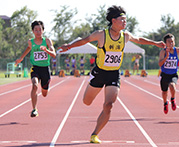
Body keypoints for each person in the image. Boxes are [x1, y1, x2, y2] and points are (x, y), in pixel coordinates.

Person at [59, 5, 165, 143]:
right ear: (113, 20)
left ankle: (94, 134)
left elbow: (139, 39)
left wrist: (155, 43)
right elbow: (85, 40)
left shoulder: (125, 36)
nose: (125, 22)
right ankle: (90, 93)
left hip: (113, 74)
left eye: (125, 20)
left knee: (109, 105)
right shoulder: (101, 34)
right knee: (87, 102)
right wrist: (69, 46)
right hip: (99, 72)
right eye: (122, 19)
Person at [15, 20, 56, 117]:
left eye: (40, 30)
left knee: (44, 93)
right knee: (34, 85)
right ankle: (34, 109)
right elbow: (29, 48)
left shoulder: (47, 41)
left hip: (45, 69)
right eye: (36, 30)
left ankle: (45, 87)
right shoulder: (31, 41)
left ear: (43, 31)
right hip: (35, 68)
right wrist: (21, 58)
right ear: (33, 31)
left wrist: (46, 50)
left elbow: (54, 54)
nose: (38, 32)